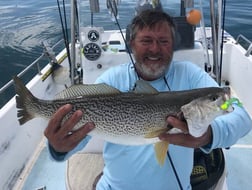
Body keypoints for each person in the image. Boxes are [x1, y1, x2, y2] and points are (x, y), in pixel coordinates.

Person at [44, 10, 252, 190]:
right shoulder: (112, 80)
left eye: (163, 41)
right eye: (146, 41)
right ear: (131, 44)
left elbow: (239, 113)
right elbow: (82, 133)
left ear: (173, 45)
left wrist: (207, 136)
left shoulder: (190, 75)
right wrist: (59, 147)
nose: (155, 49)